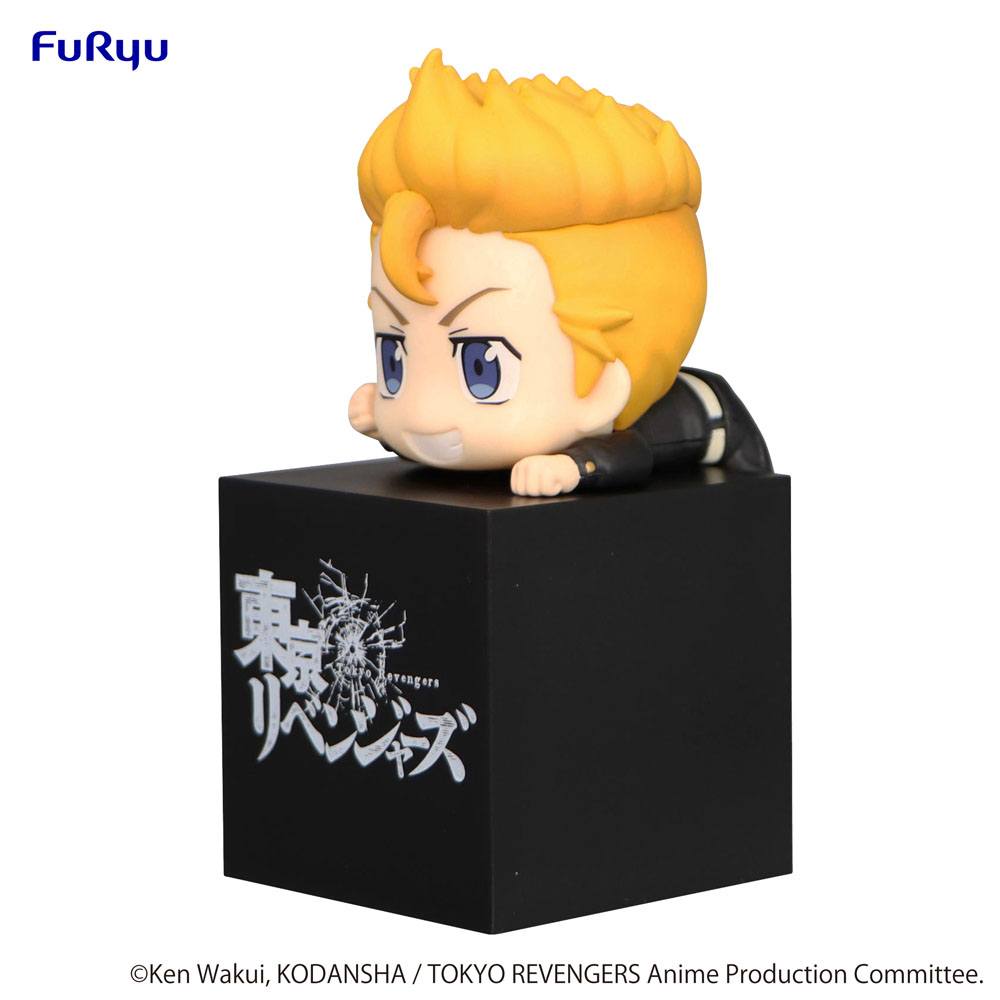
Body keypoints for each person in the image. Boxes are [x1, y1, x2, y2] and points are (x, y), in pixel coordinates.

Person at [348, 50, 770, 496]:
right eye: (394, 358)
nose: (422, 413)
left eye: (482, 366)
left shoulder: (635, 428)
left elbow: (629, 455)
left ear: (603, 384)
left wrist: (575, 467)